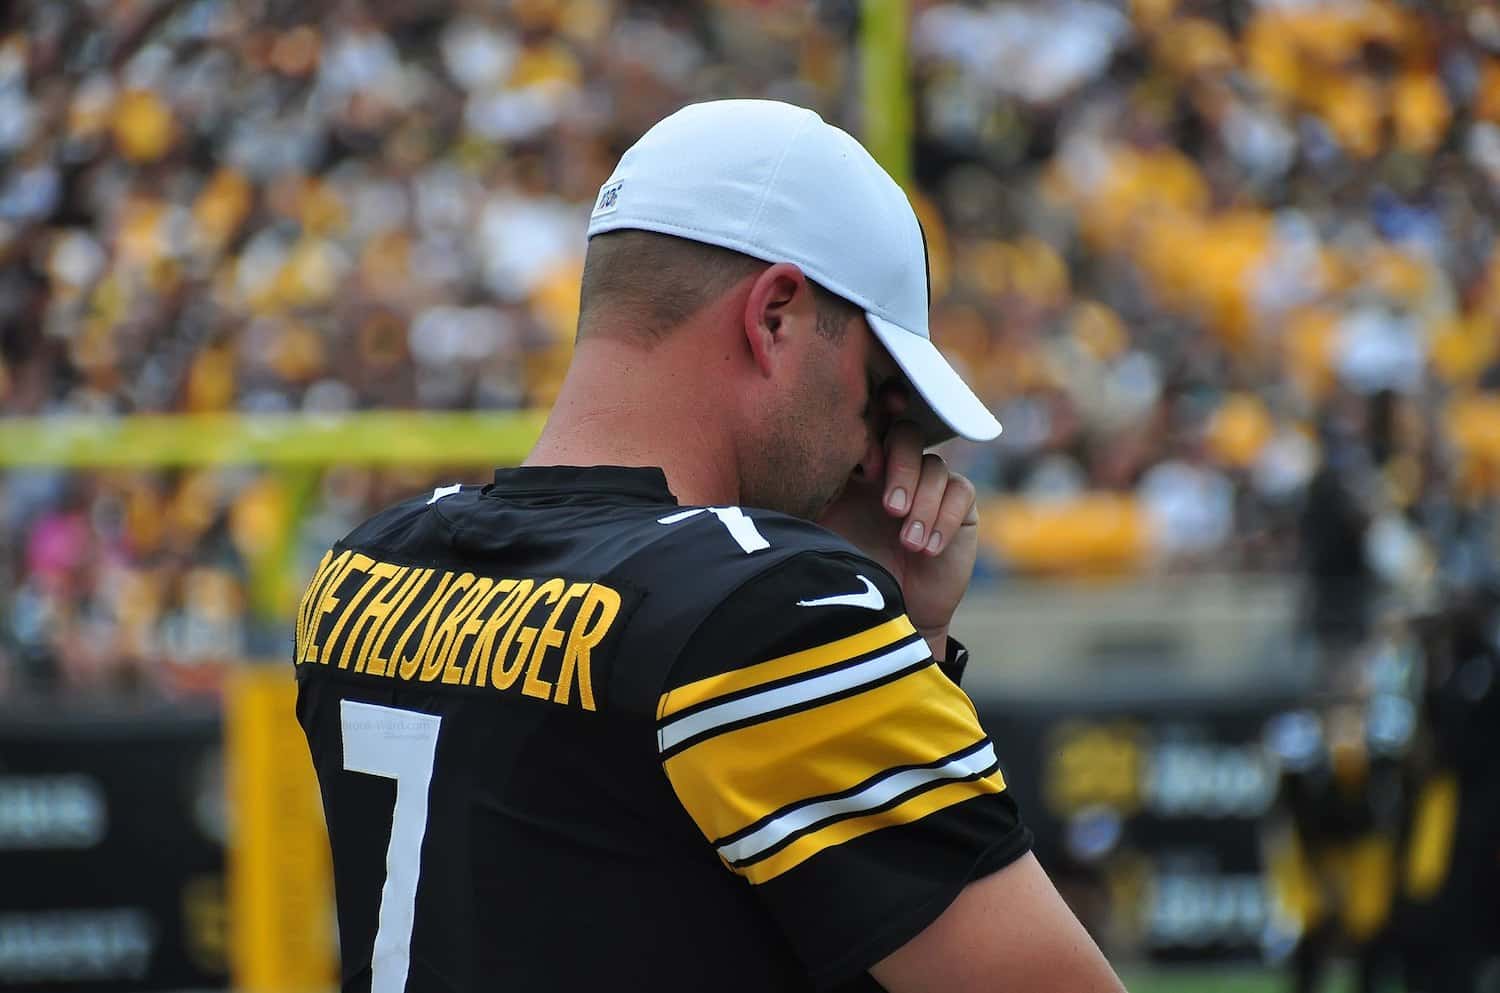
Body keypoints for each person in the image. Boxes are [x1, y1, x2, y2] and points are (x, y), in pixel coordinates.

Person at [293, 99, 1125, 993]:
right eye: (879, 391)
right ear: (774, 315)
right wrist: (871, 626)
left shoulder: (367, 564)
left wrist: (901, 633)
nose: (879, 448)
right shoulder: (770, 608)